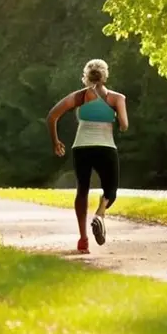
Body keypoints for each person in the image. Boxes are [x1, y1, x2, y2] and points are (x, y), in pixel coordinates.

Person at [46, 59, 129, 254]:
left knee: (82, 190)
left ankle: (83, 239)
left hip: (81, 147)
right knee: (111, 190)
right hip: (106, 147)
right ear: (105, 75)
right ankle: (100, 215)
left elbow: (52, 116)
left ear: (86, 76)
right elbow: (124, 126)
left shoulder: (79, 97)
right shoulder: (117, 98)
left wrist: (55, 142)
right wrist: (116, 116)